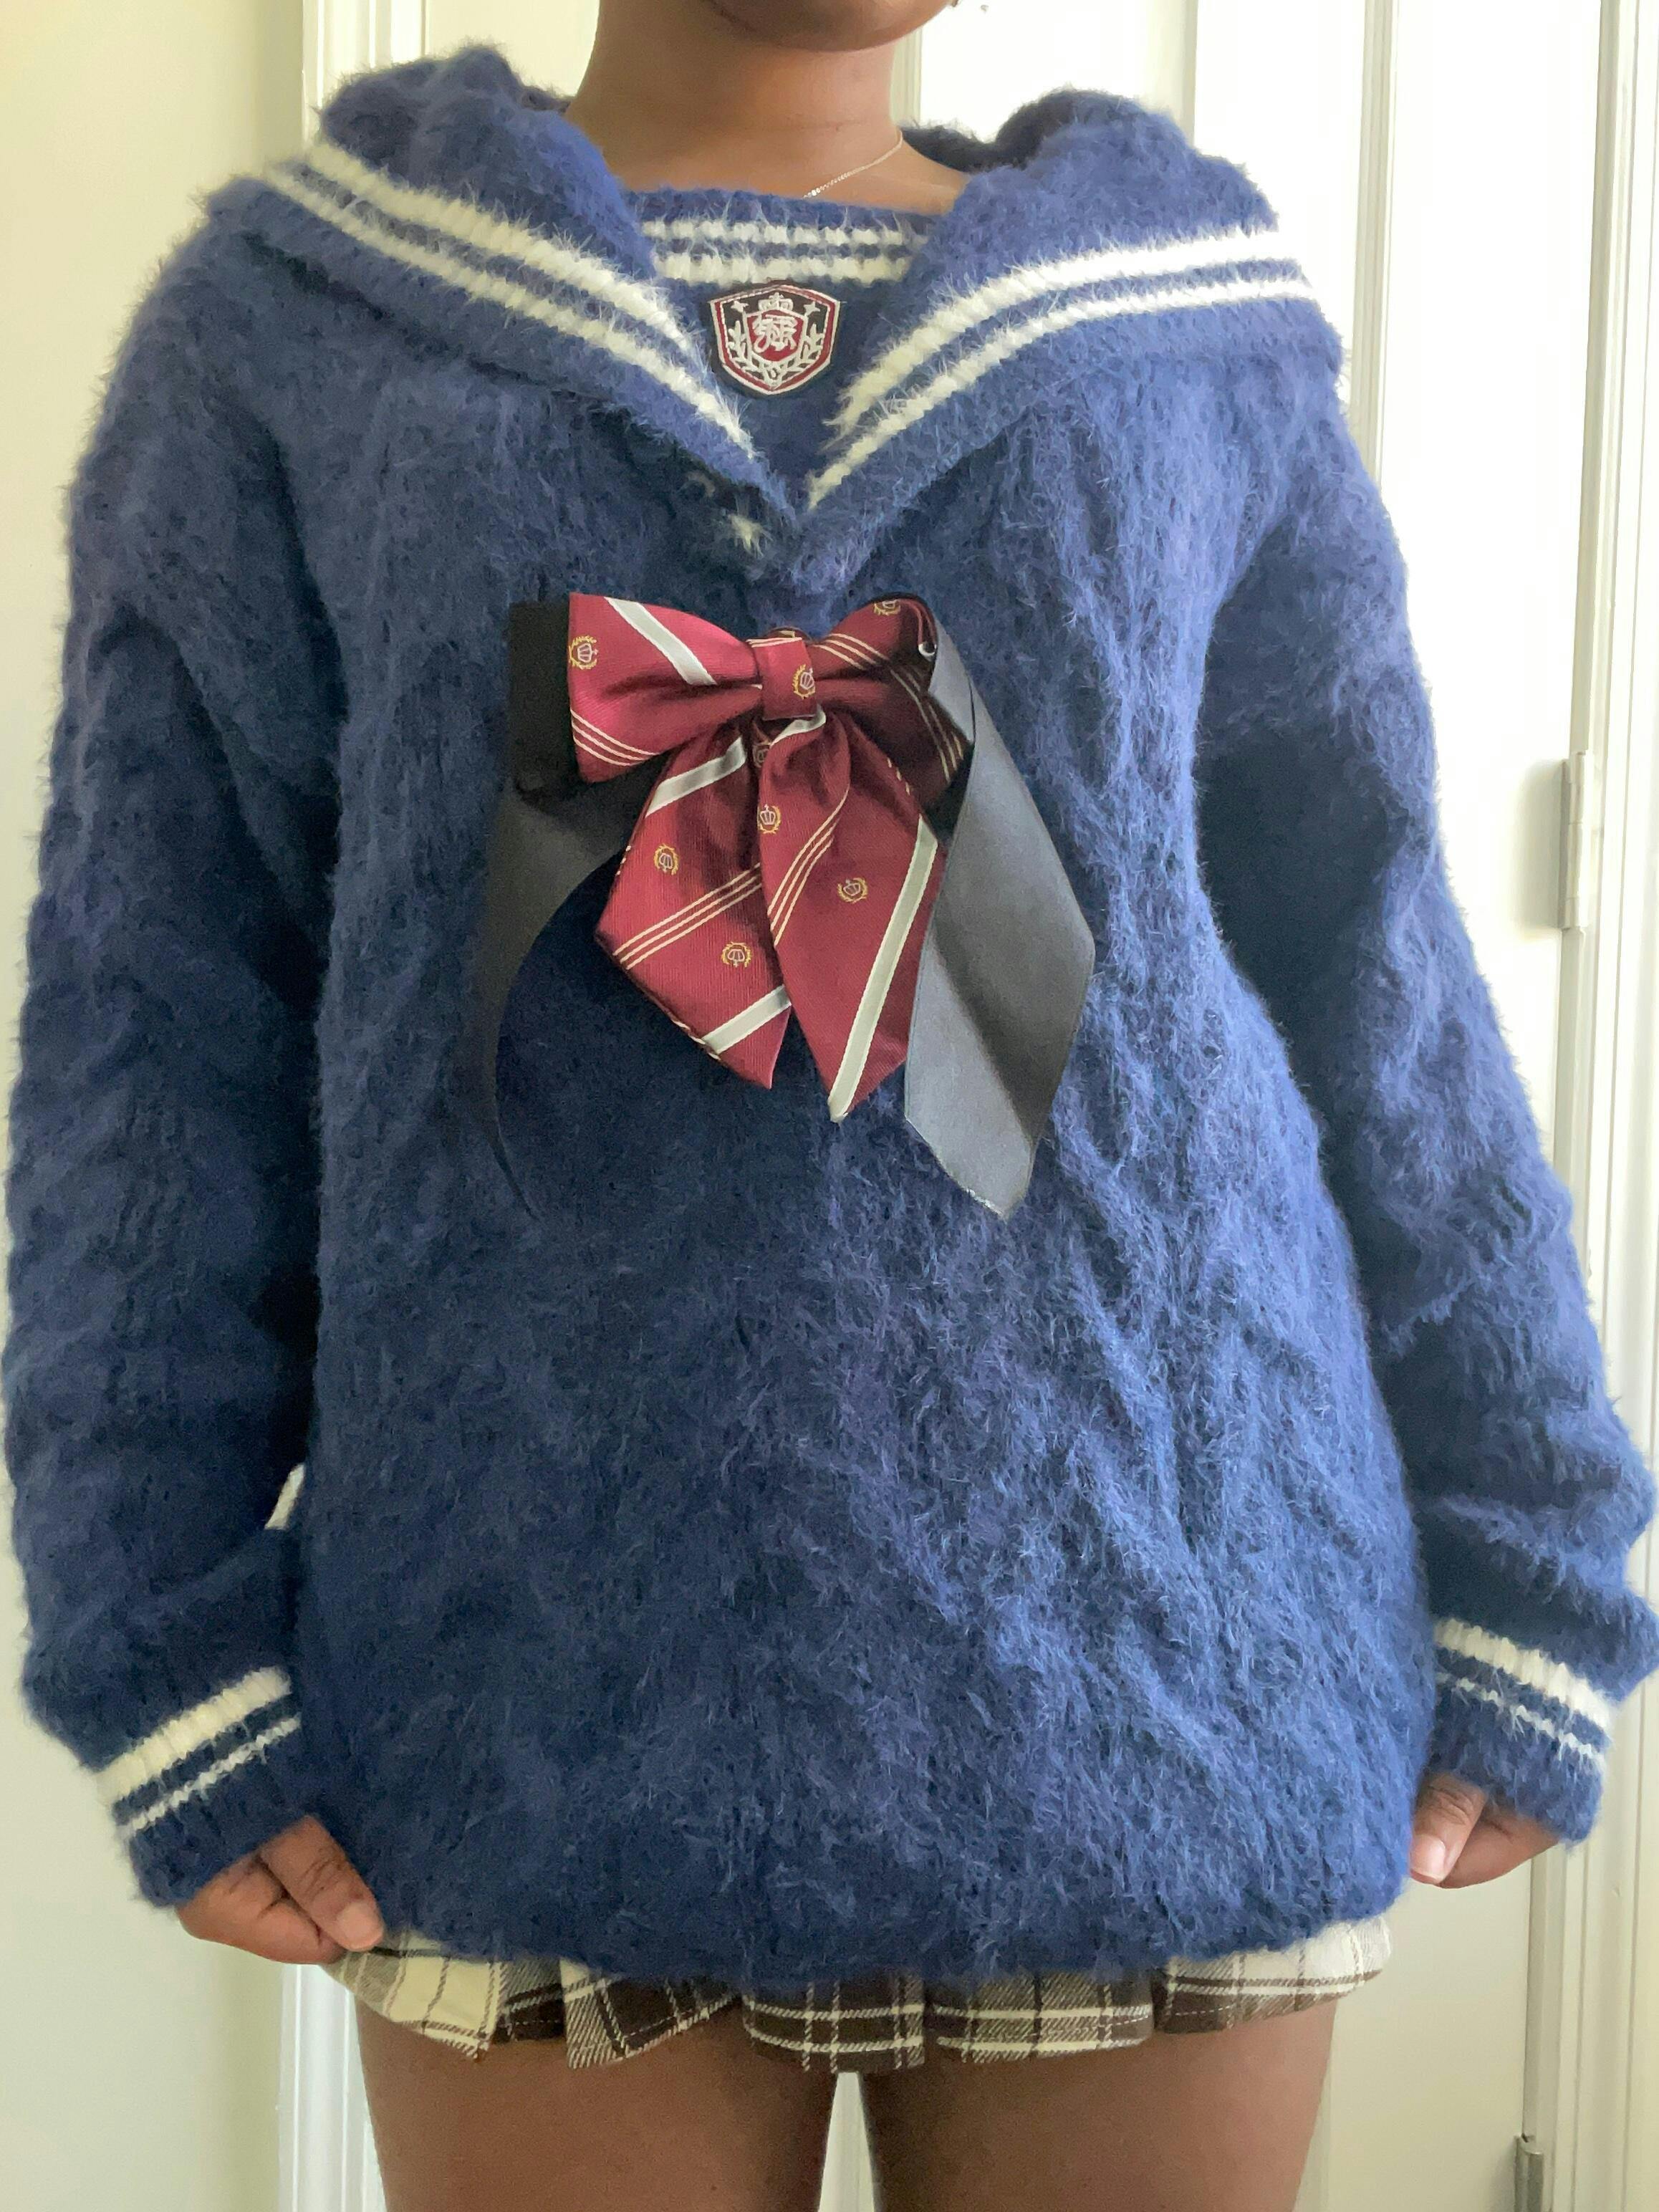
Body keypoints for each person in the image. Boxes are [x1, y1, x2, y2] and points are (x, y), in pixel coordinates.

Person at [6, 6, 1656, 2208]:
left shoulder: (1191, 328)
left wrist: (1538, 1547)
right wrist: (155, 1626)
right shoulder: (296, 318)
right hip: (523, 1674)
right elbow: (157, 1012)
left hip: (1173, 1654)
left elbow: (1372, 948)